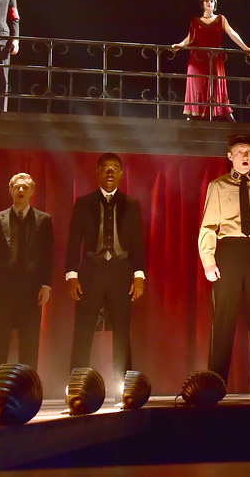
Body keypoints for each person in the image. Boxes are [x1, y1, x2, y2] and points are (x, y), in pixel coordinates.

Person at [198, 133, 250, 400]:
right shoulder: (218, 186)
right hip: (230, 251)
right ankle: (215, 382)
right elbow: (208, 226)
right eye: (239, 152)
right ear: (230, 156)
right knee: (223, 319)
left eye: (249, 152)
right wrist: (209, 260)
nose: (245, 157)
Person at [65, 153, 146, 398]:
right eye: (105, 168)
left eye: (114, 168)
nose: (110, 172)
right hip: (90, 272)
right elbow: (73, 242)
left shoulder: (131, 204)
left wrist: (139, 275)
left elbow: (138, 243)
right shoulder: (83, 203)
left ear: (121, 173)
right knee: (83, 331)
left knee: (122, 332)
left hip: (121, 274)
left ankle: (125, 390)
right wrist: (71, 275)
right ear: (98, 172)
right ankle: (76, 388)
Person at [0, 173, 54, 384]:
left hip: (31, 290)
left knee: (29, 342)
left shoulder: (44, 219)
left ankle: (27, 388)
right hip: (3, 289)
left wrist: (46, 285)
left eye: (25, 187)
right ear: (10, 190)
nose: (21, 190)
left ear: (32, 191)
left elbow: (48, 254)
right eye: (17, 187)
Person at [172, 0, 250, 120]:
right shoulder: (195, 21)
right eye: (206, 0)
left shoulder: (220, 19)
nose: (209, 2)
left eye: (212, 1)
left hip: (214, 59)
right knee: (198, 87)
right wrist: (179, 45)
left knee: (216, 85)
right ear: (203, 4)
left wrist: (245, 48)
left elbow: (232, 33)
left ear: (215, 5)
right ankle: (191, 116)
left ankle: (225, 114)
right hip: (198, 60)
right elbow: (189, 38)